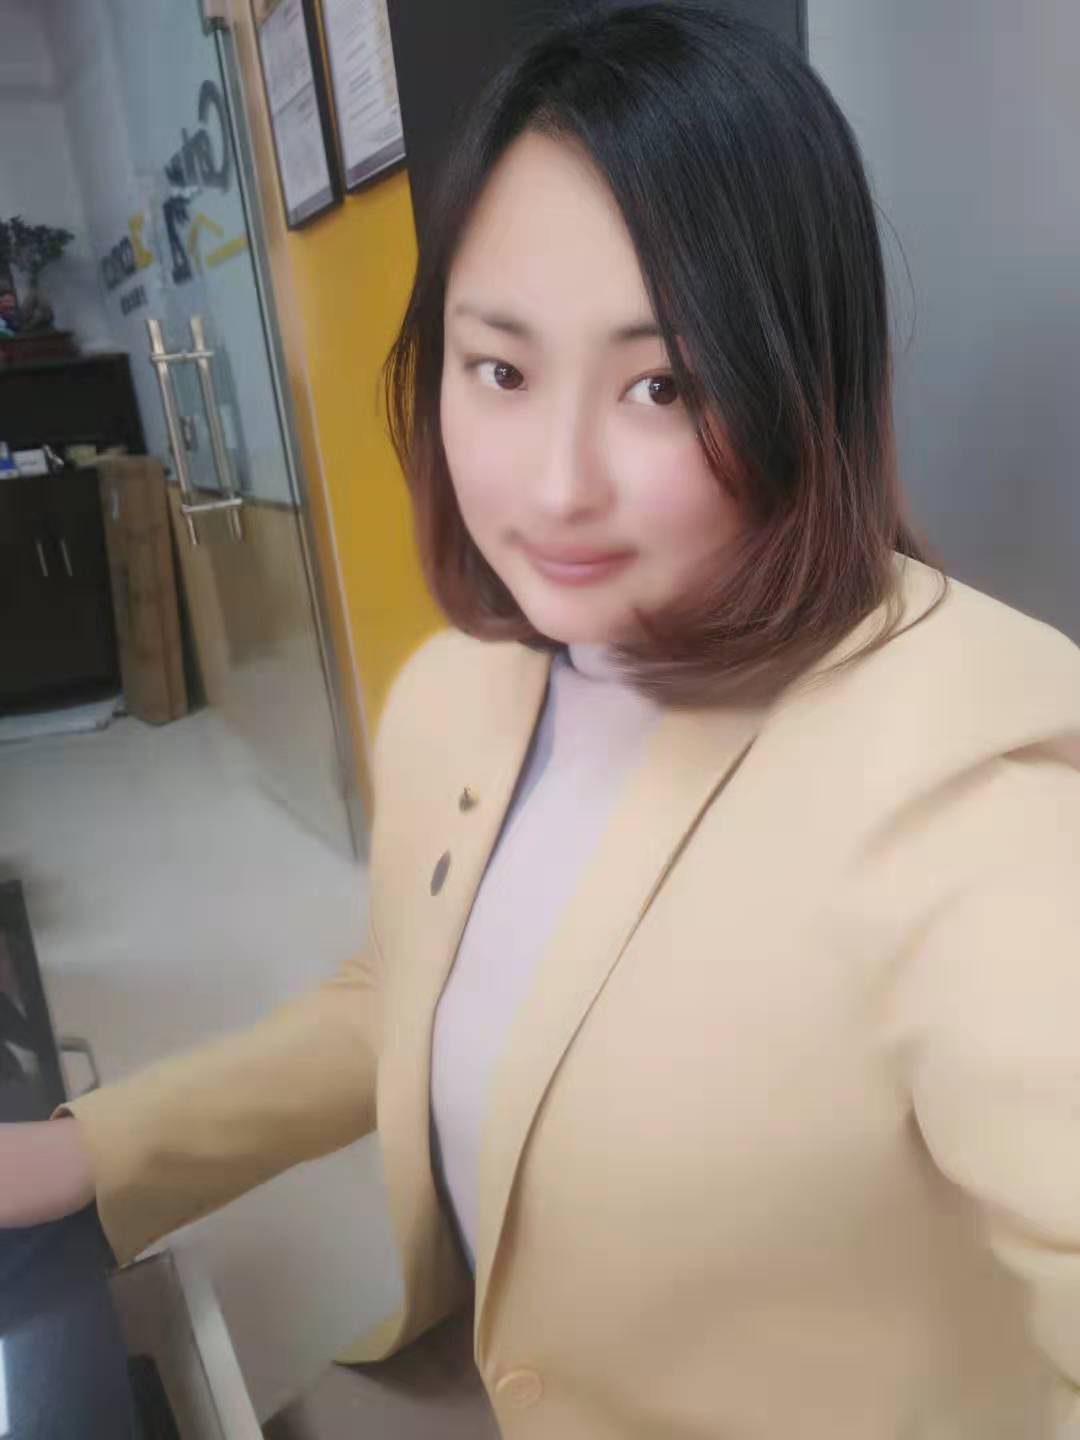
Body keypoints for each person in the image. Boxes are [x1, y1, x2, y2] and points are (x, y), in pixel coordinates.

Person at [3, 4, 1080, 1434]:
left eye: (662, 385)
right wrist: (89, 1154)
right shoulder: (470, 686)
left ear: (800, 388)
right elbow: (407, 999)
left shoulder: (974, 790)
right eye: (500, 370)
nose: (557, 486)